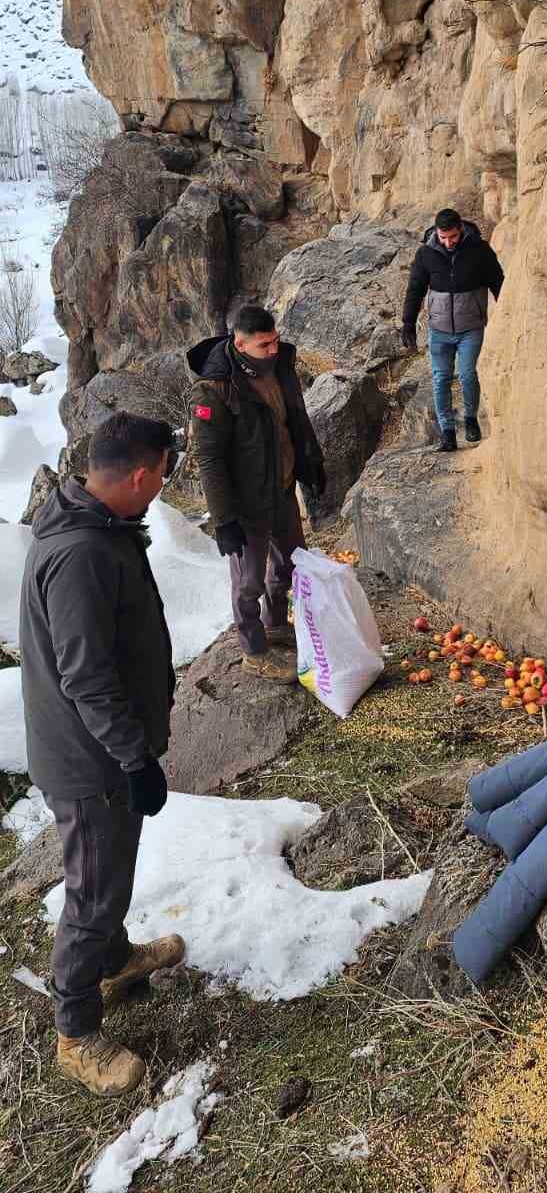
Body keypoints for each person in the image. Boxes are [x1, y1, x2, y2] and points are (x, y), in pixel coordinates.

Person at [19, 413, 185, 1097]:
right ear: (141, 475)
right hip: (91, 763)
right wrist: (132, 759)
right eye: (162, 477)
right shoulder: (82, 553)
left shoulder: (96, 526)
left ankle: (113, 961)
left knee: (110, 873)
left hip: (103, 753)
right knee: (91, 893)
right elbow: (84, 676)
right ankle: (76, 1032)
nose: (160, 491)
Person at [187, 304, 326, 680]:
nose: (273, 350)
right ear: (240, 343)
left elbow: (294, 415)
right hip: (245, 503)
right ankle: (252, 649)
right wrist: (224, 520)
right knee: (248, 581)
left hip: (281, 488)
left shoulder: (281, 364)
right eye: (264, 345)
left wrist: (309, 460)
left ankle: (276, 624)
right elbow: (209, 459)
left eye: (275, 340)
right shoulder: (214, 389)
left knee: (290, 563)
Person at [402, 208, 504, 452]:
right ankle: (447, 432)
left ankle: (470, 419)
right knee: (440, 379)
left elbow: (499, 282)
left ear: (461, 230)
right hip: (438, 329)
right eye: (443, 237)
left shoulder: (479, 251)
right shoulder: (426, 253)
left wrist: (509, 318)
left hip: (471, 327)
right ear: (437, 232)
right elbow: (415, 288)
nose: (448, 242)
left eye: (453, 237)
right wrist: (407, 323)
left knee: (467, 374)